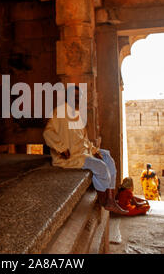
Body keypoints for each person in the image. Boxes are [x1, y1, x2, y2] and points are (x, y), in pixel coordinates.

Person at [43, 85, 128, 214]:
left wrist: (95, 151)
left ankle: (111, 199)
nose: (77, 99)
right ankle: (103, 201)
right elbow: (47, 133)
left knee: (107, 158)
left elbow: (84, 140)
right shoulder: (60, 111)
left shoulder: (76, 114)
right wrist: (61, 148)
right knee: (101, 167)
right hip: (71, 157)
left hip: (84, 152)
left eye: (79, 96)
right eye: (74, 96)